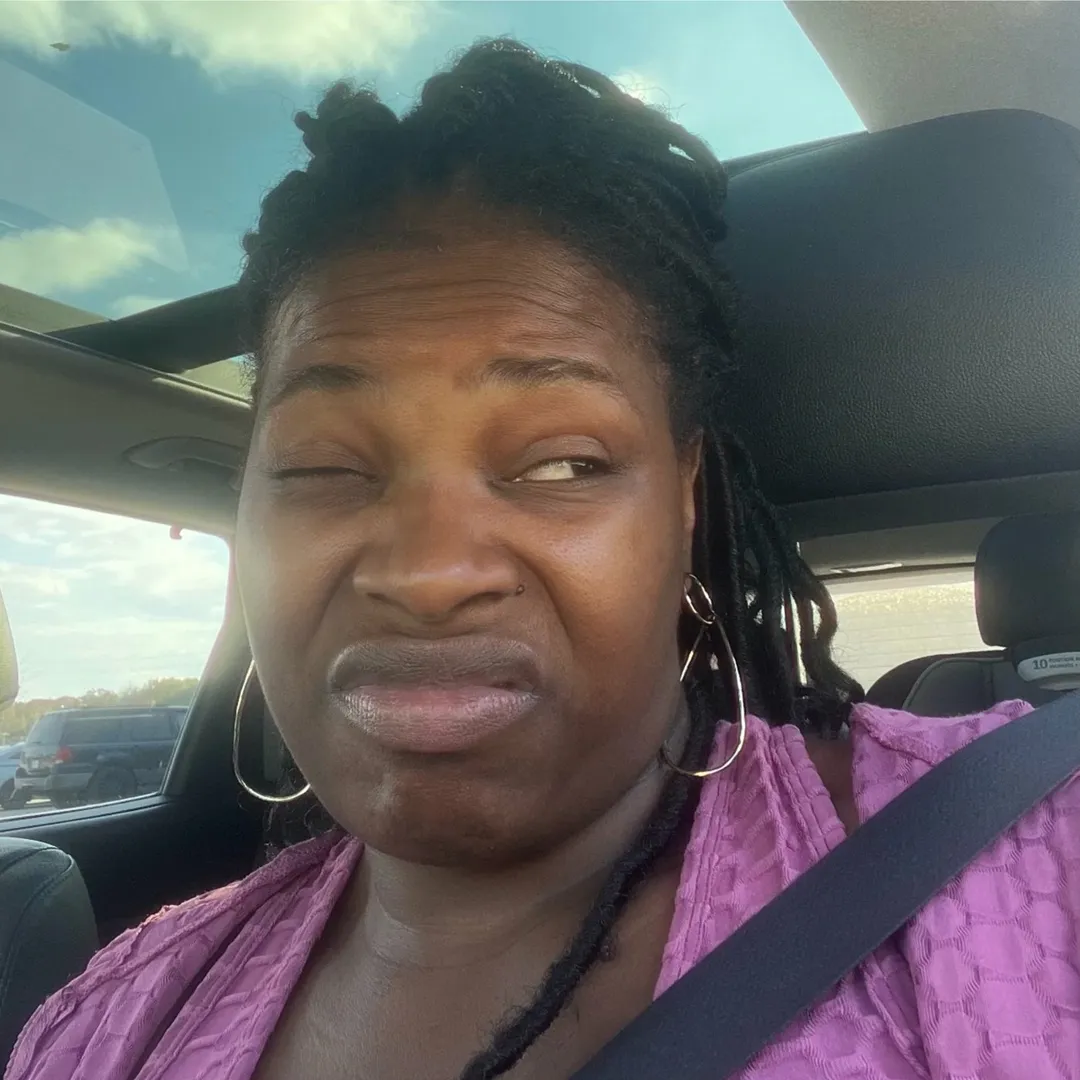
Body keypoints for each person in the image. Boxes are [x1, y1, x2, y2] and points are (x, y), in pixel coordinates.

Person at [8, 40, 1079, 1080]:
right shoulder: (106, 1020)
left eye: (564, 463)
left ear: (684, 502)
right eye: (324, 466)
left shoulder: (1032, 852)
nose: (429, 574)